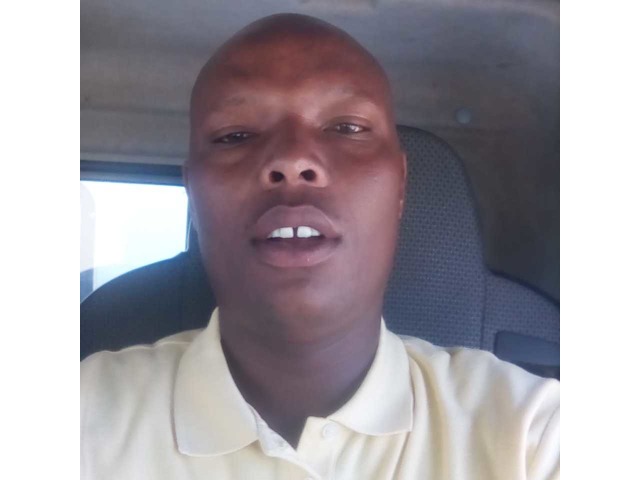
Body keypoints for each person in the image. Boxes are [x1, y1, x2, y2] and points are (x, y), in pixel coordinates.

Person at [81, 13, 559, 479]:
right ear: (193, 193)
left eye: (346, 128)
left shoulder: (531, 435)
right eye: (236, 135)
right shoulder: (82, 419)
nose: (292, 159)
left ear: (399, 185)